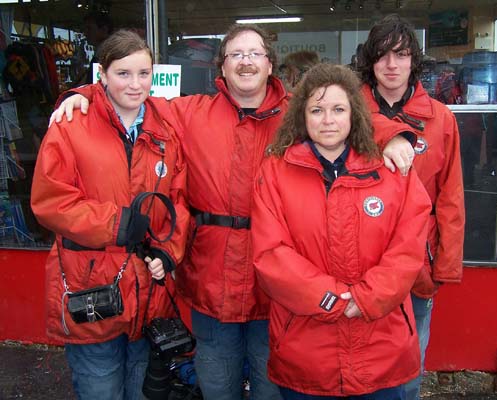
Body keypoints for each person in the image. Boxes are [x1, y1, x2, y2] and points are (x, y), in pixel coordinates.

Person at [50, 23, 417, 400]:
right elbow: (131, 96)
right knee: (216, 381)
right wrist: (81, 94)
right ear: (221, 68)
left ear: (270, 64)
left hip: (277, 283)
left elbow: (346, 116)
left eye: (255, 53)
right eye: (235, 55)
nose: (245, 62)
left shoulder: (299, 112)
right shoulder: (189, 112)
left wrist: (394, 135)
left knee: (270, 382)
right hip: (213, 277)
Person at [252, 63, 432, 399]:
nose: (328, 120)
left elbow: (408, 248)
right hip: (307, 354)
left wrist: (366, 297)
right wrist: (330, 299)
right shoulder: (275, 172)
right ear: (302, 116)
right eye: (316, 110)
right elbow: (270, 252)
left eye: (338, 109)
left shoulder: (392, 170)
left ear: (354, 114)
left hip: (380, 348)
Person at [31, 29, 189, 400]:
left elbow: (179, 201)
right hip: (94, 288)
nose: (135, 84)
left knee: (142, 389)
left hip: (148, 296)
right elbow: (49, 200)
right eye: (123, 73)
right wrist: (116, 223)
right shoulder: (71, 124)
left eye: (144, 73)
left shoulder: (166, 129)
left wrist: (169, 251)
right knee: (100, 388)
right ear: (101, 74)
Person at [357, 14, 466, 400]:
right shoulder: (345, 115)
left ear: (412, 61)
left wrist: (445, 265)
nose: (391, 65)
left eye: (401, 55)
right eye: (383, 55)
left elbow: (450, 197)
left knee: (409, 361)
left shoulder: (441, 119)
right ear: (370, 61)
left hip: (418, 264)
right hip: (359, 263)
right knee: (358, 362)